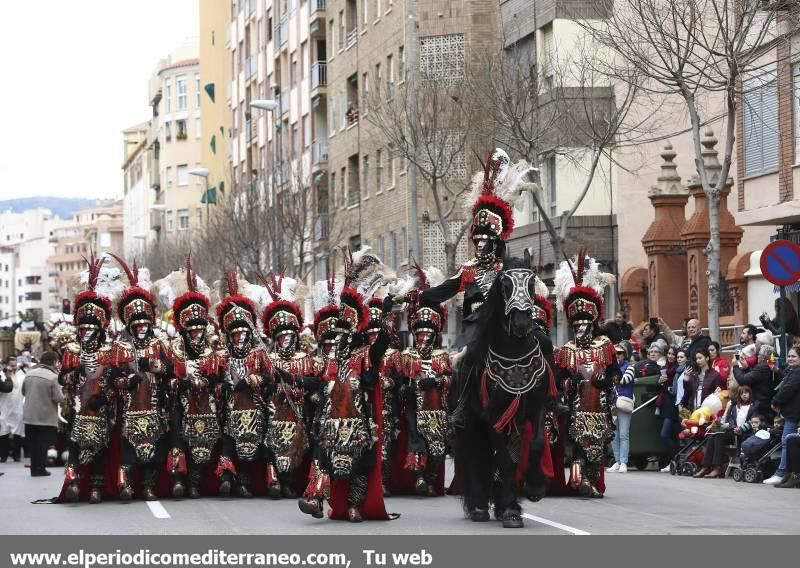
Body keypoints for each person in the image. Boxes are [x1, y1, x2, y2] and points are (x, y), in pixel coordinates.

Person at [553, 249, 618, 497]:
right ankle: (579, 479)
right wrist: (572, 381)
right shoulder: (566, 351)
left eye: (584, 324)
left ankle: (591, 479)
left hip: (599, 407)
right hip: (577, 408)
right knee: (579, 445)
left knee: (597, 447)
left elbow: (615, 375)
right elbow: (560, 382)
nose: (580, 328)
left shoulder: (605, 347)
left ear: (592, 324)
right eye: (577, 325)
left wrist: (606, 380)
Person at [108, 254, 173, 501]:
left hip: (155, 405)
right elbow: (113, 376)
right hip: (130, 406)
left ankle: (148, 486)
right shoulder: (120, 346)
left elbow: (168, 370)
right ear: (130, 325)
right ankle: (125, 485)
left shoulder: (159, 343)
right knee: (128, 450)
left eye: (145, 323)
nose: (142, 327)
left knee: (155, 448)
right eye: (137, 325)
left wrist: (153, 366)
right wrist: (126, 382)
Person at [59, 254, 116, 503]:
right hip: (77, 406)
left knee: (101, 447)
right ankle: (73, 482)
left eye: (92, 329)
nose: (87, 333)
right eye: (83, 329)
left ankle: (96, 488)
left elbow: (116, 379)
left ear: (100, 329)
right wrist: (73, 374)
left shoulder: (110, 351)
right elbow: (63, 378)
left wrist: (107, 396)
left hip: (102, 406)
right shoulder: (71, 351)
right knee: (75, 444)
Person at [166, 258, 225, 499]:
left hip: (208, 405)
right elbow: (169, 378)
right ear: (185, 330)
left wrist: (208, 383)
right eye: (192, 331)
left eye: (200, 330)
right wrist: (182, 383)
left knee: (207, 440)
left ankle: (197, 482)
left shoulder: (214, 350)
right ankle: (179, 479)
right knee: (179, 437)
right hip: (182, 402)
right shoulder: (175, 348)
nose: (196, 334)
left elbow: (219, 378)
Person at [216, 269, 275, 498]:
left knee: (264, 439)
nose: (240, 338)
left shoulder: (259, 354)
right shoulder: (222, 355)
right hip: (232, 407)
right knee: (230, 439)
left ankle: (271, 479)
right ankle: (229, 478)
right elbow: (216, 380)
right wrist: (224, 387)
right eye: (236, 335)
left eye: (243, 334)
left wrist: (255, 379)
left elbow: (270, 377)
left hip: (258, 405)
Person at [259, 271, 316, 499]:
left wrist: (309, 393)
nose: (285, 340)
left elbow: (315, 382)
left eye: (289, 336)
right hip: (275, 410)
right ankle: (273, 480)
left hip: (299, 411)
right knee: (271, 443)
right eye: (281, 337)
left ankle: (290, 482)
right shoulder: (268, 359)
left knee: (298, 446)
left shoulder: (306, 358)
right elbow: (262, 383)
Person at [400, 286, 451, 496]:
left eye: (428, 335)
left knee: (438, 448)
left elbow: (450, 379)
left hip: (437, 407)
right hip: (415, 406)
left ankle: (430, 479)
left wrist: (438, 382)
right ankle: (419, 476)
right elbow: (401, 382)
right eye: (420, 335)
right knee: (416, 439)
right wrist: (406, 389)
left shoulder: (442, 355)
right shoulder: (407, 355)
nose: (423, 339)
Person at [693, 385, 758, 478]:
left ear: (750, 394)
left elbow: (754, 420)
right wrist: (733, 427)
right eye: (742, 393)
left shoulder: (755, 405)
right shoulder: (735, 406)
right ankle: (706, 466)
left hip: (745, 434)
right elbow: (731, 419)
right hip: (733, 432)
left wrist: (741, 429)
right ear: (739, 395)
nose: (744, 395)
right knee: (714, 435)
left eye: (746, 393)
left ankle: (717, 468)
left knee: (718, 436)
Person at [21, 351, 63, 477]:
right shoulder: (53, 377)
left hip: (29, 415)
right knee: (42, 444)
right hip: (45, 416)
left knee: (34, 444)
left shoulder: (29, 373)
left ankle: (34, 469)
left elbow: (23, 392)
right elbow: (58, 398)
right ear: (54, 362)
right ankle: (40, 469)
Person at [764, 345, 800, 485]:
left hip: (793, 413)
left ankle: (781, 472)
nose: (790, 358)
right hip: (792, 412)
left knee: (786, 442)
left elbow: (788, 389)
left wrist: (776, 401)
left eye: (793, 356)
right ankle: (787, 472)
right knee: (789, 442)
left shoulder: (797, 372)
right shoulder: (794, 371)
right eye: (789, 356)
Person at [732, 344, 778, 423]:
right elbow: (754, 378)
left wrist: (735, 366)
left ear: (763, 357)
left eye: (759, 354)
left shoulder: (762, 367)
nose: (757, 356)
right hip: (767, 405)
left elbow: (742, 380)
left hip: (761, 406)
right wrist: (747, 368)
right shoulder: (770, 366)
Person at [659, 348, 685, 472]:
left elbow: (675, 390)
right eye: (668, 353)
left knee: (665, 434)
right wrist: (661, 383)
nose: (671, 356)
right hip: (667, 404)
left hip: (674, 406)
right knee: (673, 436)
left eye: (673, 354)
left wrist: (666, 387)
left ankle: (675, 460)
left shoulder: (678, 370)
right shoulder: (666, 369)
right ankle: (673, 462)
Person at [679, 348, 725, 413]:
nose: (697, 361)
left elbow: (718, 395)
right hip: (693, 410)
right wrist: (686, 379)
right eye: (696, 358)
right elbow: (687, 392)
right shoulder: (694, 374)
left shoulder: (715, 375)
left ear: (707, 358)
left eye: (700, 358)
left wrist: (718, 391)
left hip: (707, 411)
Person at [0, 355, 25, 462]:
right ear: (7, 366)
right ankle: (3, 455)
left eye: (15, 366)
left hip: (18, 407)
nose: (13, 368)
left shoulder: (22, 376)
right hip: (4, 407)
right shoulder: (2, 376)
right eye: (11, 366)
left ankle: (16, 454)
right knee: (3, 432)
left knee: (17, 433)